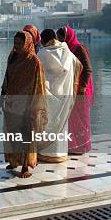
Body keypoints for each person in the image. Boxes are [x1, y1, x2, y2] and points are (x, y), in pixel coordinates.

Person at [0, 31, 48, 178]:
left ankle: (25, 166)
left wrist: (35, 107)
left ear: (27, 43)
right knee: (12, 134)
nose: (17, 46)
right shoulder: (13, 57)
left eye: (20, 44)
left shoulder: (34, 61)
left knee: (26, 136)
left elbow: (39, 86)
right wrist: (2, 96)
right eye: (15, 43)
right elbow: (7, 77)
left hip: (27, 106)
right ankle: (14, 160)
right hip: (12, 103)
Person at [37, 29, 82, 163]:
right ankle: (60, 154)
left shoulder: (42, 53)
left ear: (43, 40)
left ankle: (46, 153)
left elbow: (37, 73)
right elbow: (78, 65)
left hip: (48, 95)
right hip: (64, 94)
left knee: (48, 123)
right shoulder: (66, 51)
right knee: (61, 123)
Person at [57, 26, 94, 154]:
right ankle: (72, 145)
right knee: (71, 117)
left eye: (61, 38)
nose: (60, 41)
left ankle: (82, 146)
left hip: (81, 89)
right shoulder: (66, 49)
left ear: (68, 37)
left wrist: (82, 87)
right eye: (59, 39)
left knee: (81, 117)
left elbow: (88, 69)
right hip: (71, 87)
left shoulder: (79, 48)